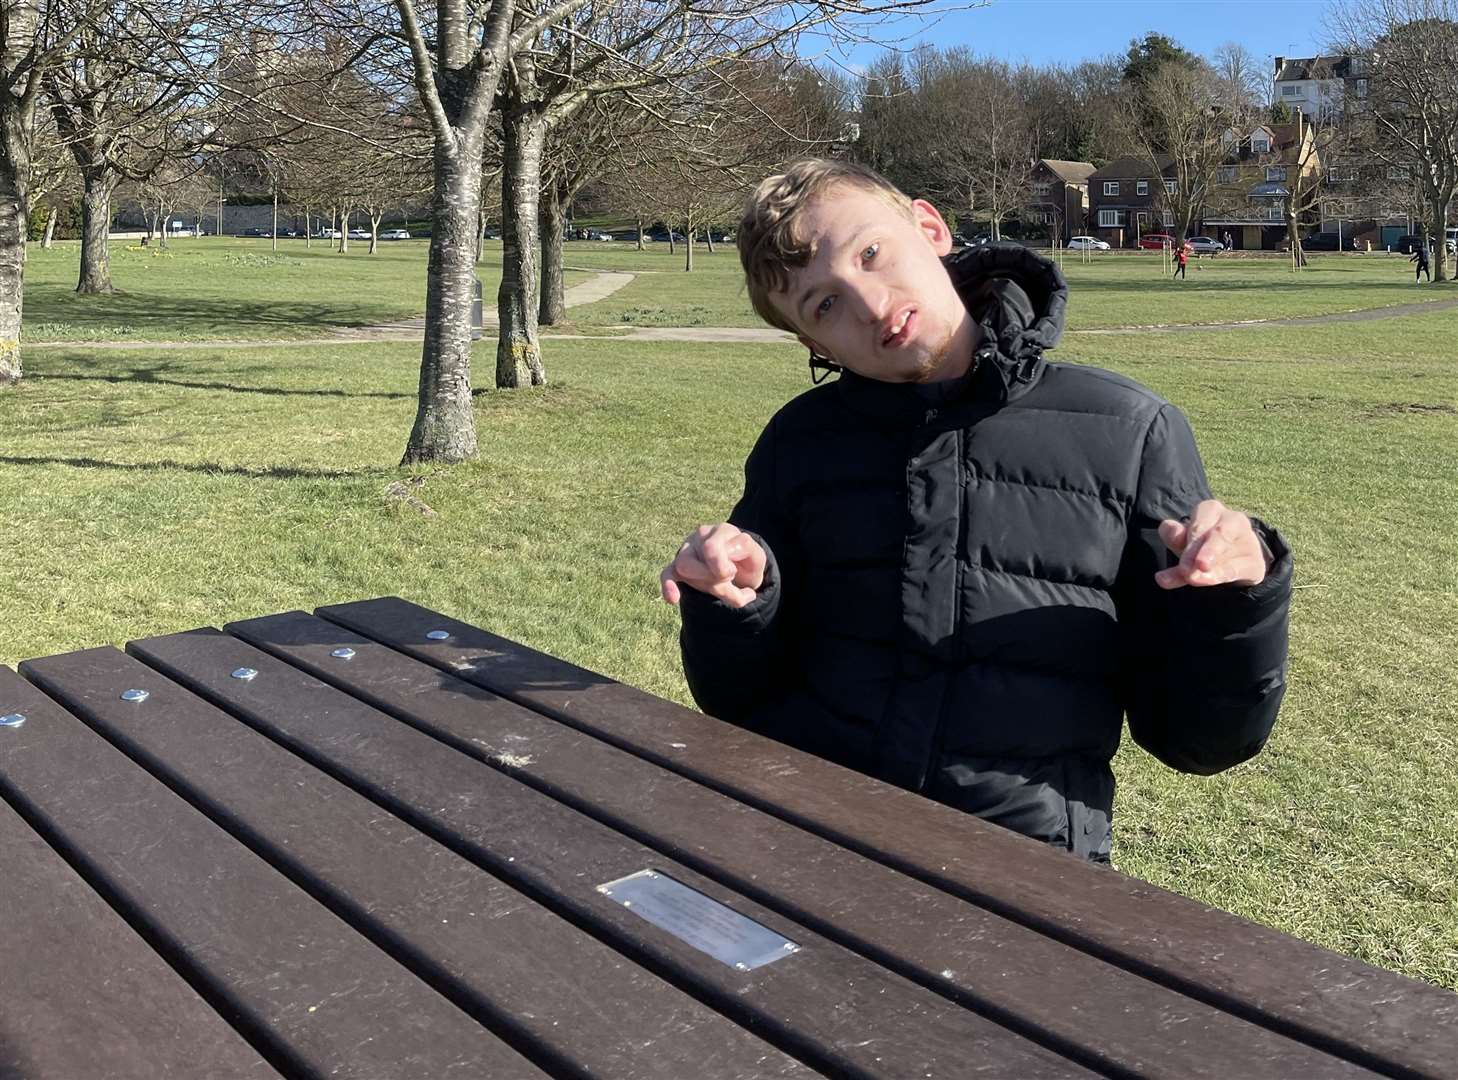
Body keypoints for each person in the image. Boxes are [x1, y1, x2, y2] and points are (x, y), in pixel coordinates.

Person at [659, 159, 1292, 863]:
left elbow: (1203, 740)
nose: (867, 303)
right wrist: (732, 602)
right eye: (824, 305)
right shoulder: (798, 443)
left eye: (871, 254)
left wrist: (1240, 598)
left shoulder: (1131, 431)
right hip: (812, 844)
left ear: (930, 228)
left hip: (1022, 869)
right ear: (813, 344)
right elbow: (734, 697)